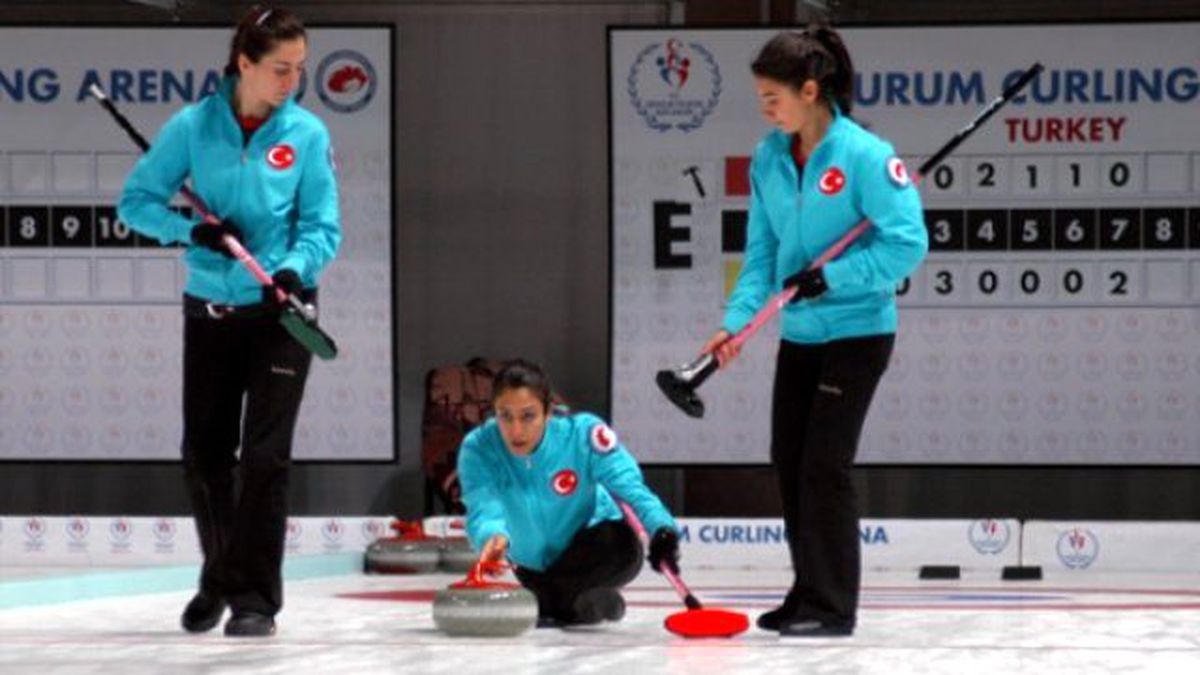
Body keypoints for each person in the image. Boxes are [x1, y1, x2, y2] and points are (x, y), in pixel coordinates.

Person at [118, 5, 340, 637]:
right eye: (280, 68)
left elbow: (322, 227)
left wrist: (293, 269)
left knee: (266, 457)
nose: (293, 81)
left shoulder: (307, 134)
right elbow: (135, 203)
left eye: (300, 68)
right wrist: (193, 232)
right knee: (205, 453)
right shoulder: (192, 126)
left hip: (279, 313)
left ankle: (253, 600)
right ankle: (219, 573)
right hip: (211, 311)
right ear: (244, 63)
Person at [701, 26, 927, 637]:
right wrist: (734, 325)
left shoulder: (865, 156)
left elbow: (908, 244)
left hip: (858, 333)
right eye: (761, 99)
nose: (765, 110)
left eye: (772, 98)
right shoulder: (769, 158)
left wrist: (835, 277)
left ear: (809, 91)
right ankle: (807, 593)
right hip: (800, 334)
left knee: (825, 464)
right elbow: (761, 253)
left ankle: (832, 606)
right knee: (790, 460)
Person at [457, 359, 681, 627]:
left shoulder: (583, 435)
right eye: (505, 416)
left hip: (600, 547)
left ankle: (561, 602)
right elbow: (483, 508)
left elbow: (630, 487)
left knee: (606, 553)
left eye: (528, 416)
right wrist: (492, 537)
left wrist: (662, 529)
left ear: (547, 412)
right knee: (553, 602)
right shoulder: (478, 448)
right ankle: (584, 605)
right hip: (532, 567)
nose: (516, 430)